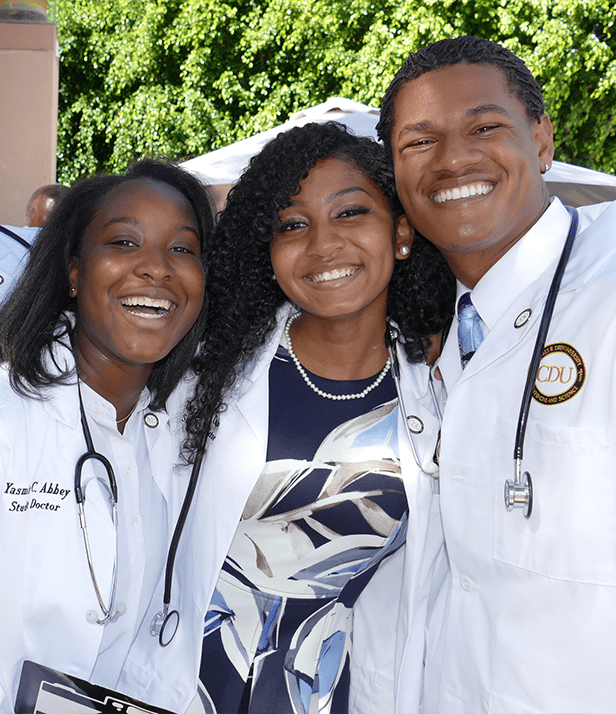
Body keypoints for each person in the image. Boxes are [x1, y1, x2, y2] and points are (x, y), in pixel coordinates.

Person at [374, 35, 616, 713]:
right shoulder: (429, 330)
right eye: (419, 142)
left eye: (485, 127)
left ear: (541, 140)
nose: (454, 159)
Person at [180, 121, 454, 714]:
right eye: (293, 225)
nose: (324, 245)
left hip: (335, 688)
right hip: (189, 680)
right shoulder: (203, 374)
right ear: (269, 248)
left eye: (351, 213)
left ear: (401, 233)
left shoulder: (445, 383)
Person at [0, 159, 215, 713]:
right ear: (74, 272)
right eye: (124, 243)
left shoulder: (183, 432)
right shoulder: (9, 413)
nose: (157, 269)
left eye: (182, 249)